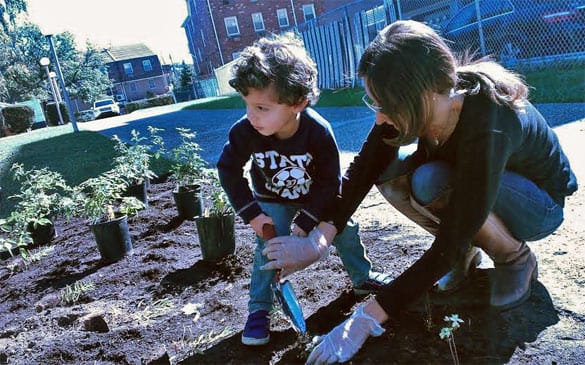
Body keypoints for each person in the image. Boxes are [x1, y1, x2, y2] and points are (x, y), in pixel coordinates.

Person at [260, 20, 578, 363]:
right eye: (374, 102)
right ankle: (470, 253)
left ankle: (515, 259)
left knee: (438, 184)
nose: (380, 117)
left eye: (386, 104)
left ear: (421, 93)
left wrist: (366, 318)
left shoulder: (490, 118)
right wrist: (316, 242)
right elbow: (362, 171)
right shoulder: (423, 106)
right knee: (405, 171)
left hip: (538, 206)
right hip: (482, 193)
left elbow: (450, 238)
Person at [216, 33, 390, 347]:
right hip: (272, 201)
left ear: (298, 102)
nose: (251, 115)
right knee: (268, 250)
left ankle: (362, 278)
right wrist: (255, 216)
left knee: (346, 230)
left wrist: (307, 224)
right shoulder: (245, 132)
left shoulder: (318, 133)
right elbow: (228, 170)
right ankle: (259, 310)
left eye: (261, 107)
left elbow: (329, 184)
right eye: (247, 105)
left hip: (315, 198)